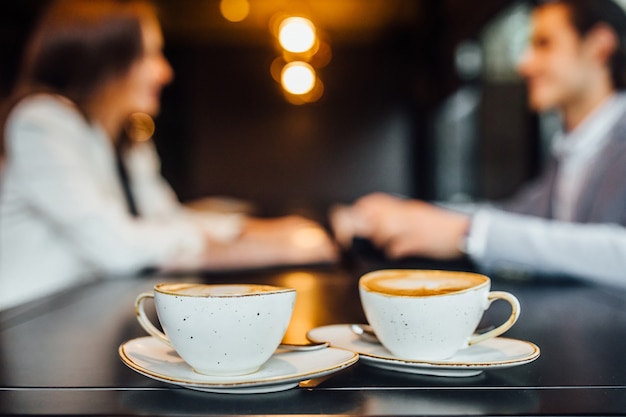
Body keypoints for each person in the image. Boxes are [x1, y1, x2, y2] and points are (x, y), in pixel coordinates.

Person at [0, 0, 337, 310]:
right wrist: (258, 249)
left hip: (87, 314)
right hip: (25, 326)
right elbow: (119, 247)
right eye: (150, 55)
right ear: (104, 58)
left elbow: (165, 219)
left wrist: (260, 230)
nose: (165, 71)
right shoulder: (41, 122)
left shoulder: (127, 140)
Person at [331, 0, 626, 289]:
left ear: (600, 44)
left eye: (544, 43)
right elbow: (516, 218)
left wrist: (468, 234)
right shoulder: (571, 149)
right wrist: (402, 215)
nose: (524, 64)